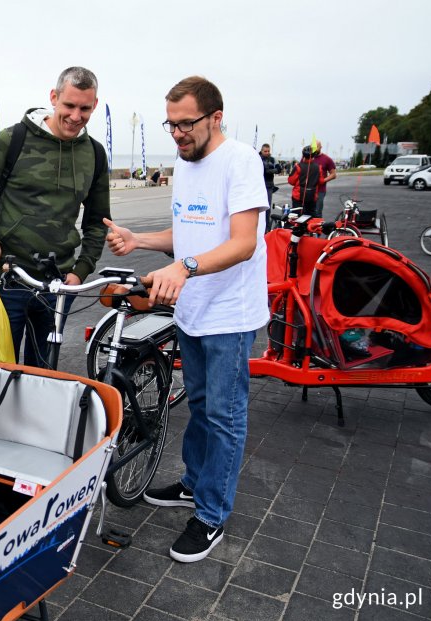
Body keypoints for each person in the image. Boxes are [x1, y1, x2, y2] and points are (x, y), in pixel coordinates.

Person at [104, 75, 268, 563]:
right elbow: (190, 233)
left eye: (186, 124)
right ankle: (196, 484)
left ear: (216, 117)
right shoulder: (185, 161)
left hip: (230, 315)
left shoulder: (240, 161)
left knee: (225, 416)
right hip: (194, 310)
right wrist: (140, 241)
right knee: (199, 405)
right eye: (170, 124)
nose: (177, 134)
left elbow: (243, 242)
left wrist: (186, 267)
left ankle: (212, 515)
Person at [0, 66, 110, 368]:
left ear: (94, 105)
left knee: (42, 376)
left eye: (85, 108)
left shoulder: (94, 154)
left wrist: (81, 271)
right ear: (54, 97)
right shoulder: (12, 139)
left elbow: (98, 221)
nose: (75, 116)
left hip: (60, 285)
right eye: (69, 105)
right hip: (9, 279)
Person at [288, 146, 324, 217]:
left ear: (303, 155)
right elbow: (321, 181)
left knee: (296, 217)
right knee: (310, 217)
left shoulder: (298, 167)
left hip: (298, 196)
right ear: (313, 155)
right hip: (312, 196)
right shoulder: (318, 167)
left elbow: (291, 181)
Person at [311, 140, 337, 216]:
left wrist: (323, 180)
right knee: (307, 212)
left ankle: (318, 226)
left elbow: (333, 174)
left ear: (321, 147)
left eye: (316, 147)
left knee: (317, 212)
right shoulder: (308, 157)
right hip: (308, 190)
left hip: (320, 190)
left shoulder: (327, 159)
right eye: (313, 147)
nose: (314, 149)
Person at [258, 143, 278, 231]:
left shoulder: (273, 159)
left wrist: (269, 171)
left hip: (269, 186)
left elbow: (279, 169)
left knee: (267, 208)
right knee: (258, 208)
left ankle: (267, 229)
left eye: (268, 151)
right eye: (265, 151)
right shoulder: (257, 158)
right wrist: (270, 171)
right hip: (259, 186)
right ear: (261, 151)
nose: (267, 153)